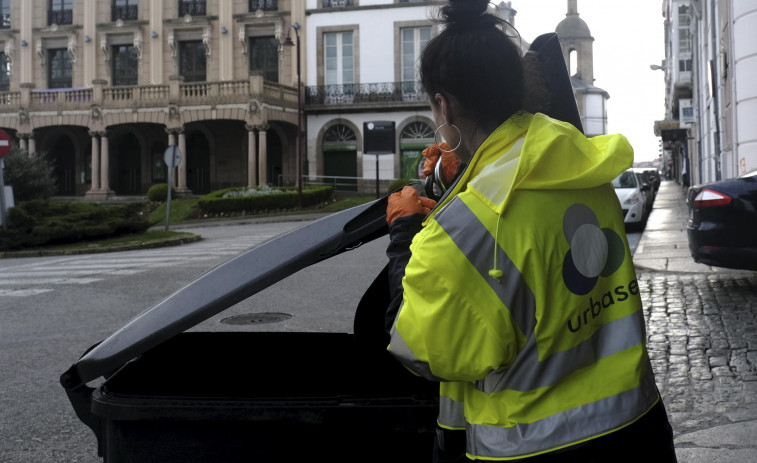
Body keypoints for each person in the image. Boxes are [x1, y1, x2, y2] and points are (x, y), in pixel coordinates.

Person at [383, 1, 677, 461]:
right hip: (638, 430)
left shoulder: (465, 228)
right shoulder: (582, 165)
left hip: (535, 449)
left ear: (442, 105)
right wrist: (456, 179)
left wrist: (404, 233)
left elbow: (416, 346)